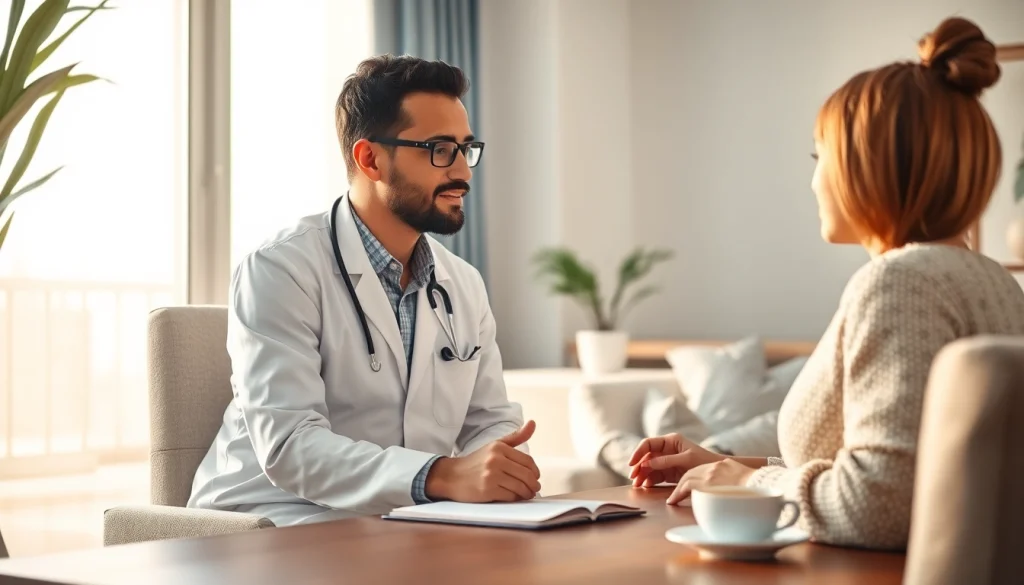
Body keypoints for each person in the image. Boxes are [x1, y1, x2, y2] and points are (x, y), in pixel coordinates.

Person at [628, 16, 1024, 551]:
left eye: (821, 156)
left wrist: (750, 484)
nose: (814, 180)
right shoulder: (995, 283)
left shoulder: (898, 285)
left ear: (869, 165)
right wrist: (730, 467)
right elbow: (902, 471)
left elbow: (880, 506)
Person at [187, 55, 541, 526]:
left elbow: (488, 418)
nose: (463, 173)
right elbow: (291, 445)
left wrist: (497, 465)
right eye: (439, 149)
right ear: (370, 158)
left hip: (401, 519)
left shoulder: (463, 284)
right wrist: (443, 475)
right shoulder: (281, 268)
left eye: (465, 148)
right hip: (266, 521)